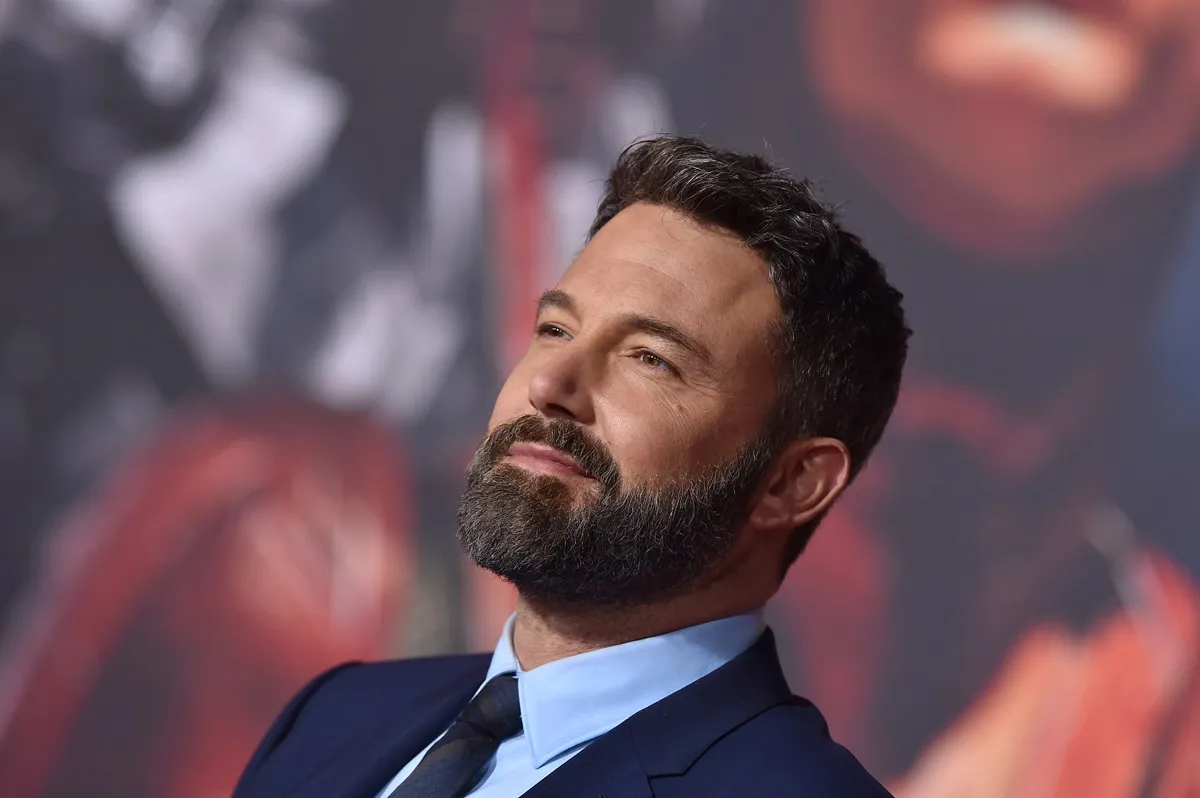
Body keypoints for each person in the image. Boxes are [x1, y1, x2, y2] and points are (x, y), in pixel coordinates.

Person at [232, 135, 910, 798]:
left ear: (792, 483)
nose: (549, 383)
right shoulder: (333, 715)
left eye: (650, 358)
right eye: (554, 329)